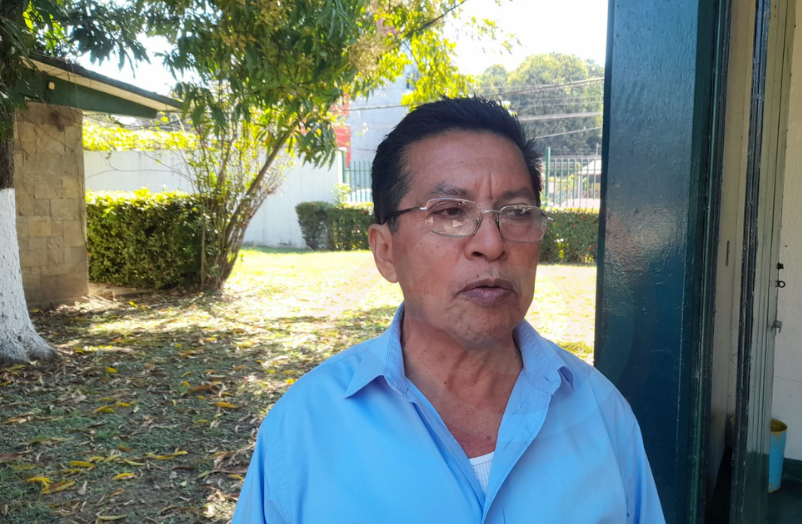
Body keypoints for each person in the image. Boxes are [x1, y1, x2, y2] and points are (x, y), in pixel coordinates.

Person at [231, 97, 665, 523]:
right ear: (386, 251)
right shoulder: (304, 428)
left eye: (516, 212)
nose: (492, 244)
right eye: (451, 211)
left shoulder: (602, 415)